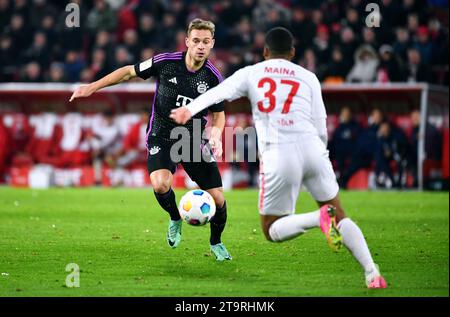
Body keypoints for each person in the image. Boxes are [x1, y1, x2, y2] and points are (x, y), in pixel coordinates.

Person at [171, 27, 387, 288]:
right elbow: (321, 126)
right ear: (293, 53)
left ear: (264, 52)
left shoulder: (252, 73)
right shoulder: (309, 77)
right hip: (313, 150)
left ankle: (317, 218)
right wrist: (321, 156)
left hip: (279, 153)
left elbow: (220, 92)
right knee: (340, 215)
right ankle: (372, 272)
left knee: (271, 229)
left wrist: (190, 109)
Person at [69, 19, 231, 261]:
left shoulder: (213, 78)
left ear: (212, 44)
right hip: (162, 134)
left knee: (218, 199)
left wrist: (217, 134)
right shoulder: (165, 62)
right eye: (196, 41)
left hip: (192, 139)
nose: (200, 46)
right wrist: (92, 87)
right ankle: (176, 218)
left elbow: (219, 115)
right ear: (187, 42)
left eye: (205, 42)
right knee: (160, 184)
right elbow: (127, 72)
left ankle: (216, 242)